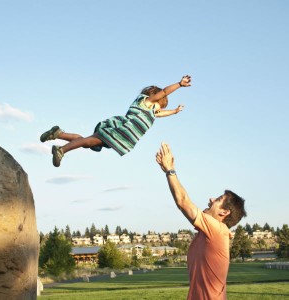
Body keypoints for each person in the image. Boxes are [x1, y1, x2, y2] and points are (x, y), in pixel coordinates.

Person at [156, 143, 247, 300]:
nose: (211, 199)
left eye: (218, 199)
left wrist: (170, 170)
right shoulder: (211, 233)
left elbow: (183, 202)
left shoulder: (217, 230)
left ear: (224, 212)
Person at [40, 75, 191, 167]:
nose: (158, 109)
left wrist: (174, 112)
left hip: (119, 137)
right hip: (117, 131)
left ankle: (58, 133)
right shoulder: (147, 101)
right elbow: (164, 91)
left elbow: (160, 114)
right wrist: (179, 84)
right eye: (160, 104)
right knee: (88, 142)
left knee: (87, 141)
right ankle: (61, 150)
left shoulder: (151, 112)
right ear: (154, 97)